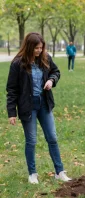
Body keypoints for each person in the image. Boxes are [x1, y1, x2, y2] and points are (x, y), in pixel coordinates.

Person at [6, 32, 72, 184]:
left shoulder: (45, 58)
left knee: (52, 138)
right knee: (32, 141)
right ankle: (32, 174)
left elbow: (56, 72)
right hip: (28, 107)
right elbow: (12, 89)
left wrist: (51, 80)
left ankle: (59, 171)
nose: (39, 51)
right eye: (36, 48)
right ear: (29, 47)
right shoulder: (18, 63)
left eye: (41, 48)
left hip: (44, 104)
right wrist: (12, 113)